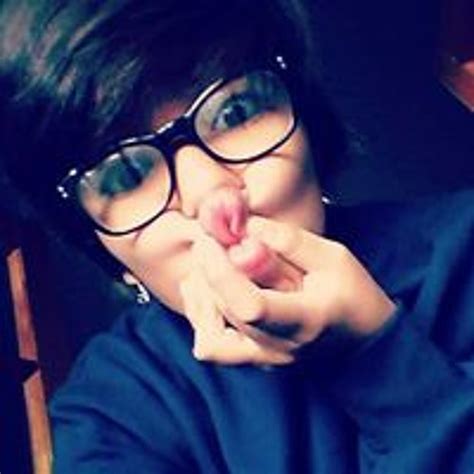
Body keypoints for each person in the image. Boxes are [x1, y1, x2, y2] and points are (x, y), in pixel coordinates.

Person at [0, 0, 473, 472]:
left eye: (234, 112)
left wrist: (376, 359)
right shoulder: (111, 415)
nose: (212, 197)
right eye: (127, 175)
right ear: (106, 251)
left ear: (307, 123)